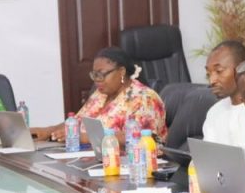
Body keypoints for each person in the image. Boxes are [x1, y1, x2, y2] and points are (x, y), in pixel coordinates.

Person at [31, 47, 166, 144]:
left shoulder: (144, 98)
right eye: (94, 75)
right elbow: (77, 121)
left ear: (121, 72)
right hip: (93, 160)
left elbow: (141, 138)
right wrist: (48, 131)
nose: (97, 80)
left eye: (101, 74)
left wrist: (85, 138)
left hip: (133, 165)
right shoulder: (100, 94)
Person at [202, 40, 245, 167]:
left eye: (219, 71)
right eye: (209, 74)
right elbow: (208, 160)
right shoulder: (214, 112)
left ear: (241, 69)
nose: (212, 80)